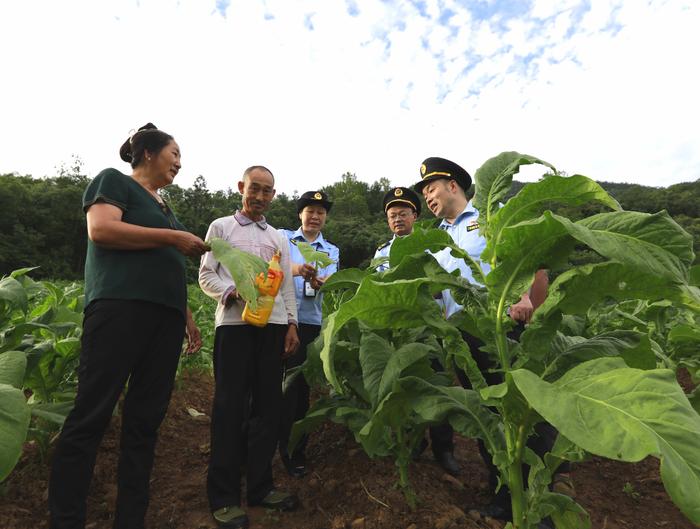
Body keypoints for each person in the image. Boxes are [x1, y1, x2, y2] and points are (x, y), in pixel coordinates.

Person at [48, 123, 209, 529]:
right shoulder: (114, 181)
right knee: (92, 413)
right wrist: (173, 239)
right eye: (175, 155)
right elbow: (101, 229)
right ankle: (66, 518)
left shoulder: (165, 206)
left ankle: (130, 519)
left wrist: (187, 316)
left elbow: (165, 268)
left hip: (165, 319)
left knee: (144, 422)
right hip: (120, 309)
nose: (179, 163)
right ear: (149, 153)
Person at [413, 156, 560, 526]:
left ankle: (539, 504)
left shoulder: (493, 214)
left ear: (453, 185)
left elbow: (533, 258)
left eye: (430, 188)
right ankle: (502, 496)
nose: (427, 196)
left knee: (529, 415)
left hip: (505, 329)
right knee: (487, 416)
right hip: (465, 338)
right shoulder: (437, 239)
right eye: (424, 192)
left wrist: (529, 299)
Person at [199, 165, 301, 529]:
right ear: (241, 187)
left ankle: (260, 487)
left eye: (267, 191)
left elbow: (286, 284)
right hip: (234, 325)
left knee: (268, 408)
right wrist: (231, 292)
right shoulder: (221, 228)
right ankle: (224, 497)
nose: (259, 196)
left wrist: (290, 323)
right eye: (253, 189)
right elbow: (206, 274)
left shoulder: (278, 236)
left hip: (271, 328)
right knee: (229, 407)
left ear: (273, 196)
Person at [373, 187, 461, 475]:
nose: (397, 219)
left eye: (403, 214)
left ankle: (443, 448)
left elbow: (444, 284)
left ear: (415, 216)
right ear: (387, 221)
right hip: (398, 330)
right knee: (404, 384)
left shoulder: (432, 246)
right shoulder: (381, 253)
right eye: (392, 215)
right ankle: (414, 442)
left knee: (437, 384)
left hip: (430, 327)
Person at [278, 190, 339, 477]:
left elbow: (332, 282)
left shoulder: (331, 250)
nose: (315, 216)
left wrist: (322, 281)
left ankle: (294, 451)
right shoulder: (282, 238)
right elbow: (271, 267)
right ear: (300, 214)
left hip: (311, 322)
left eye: (321, 212)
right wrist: (296, 269)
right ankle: (260, 445)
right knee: (269, 383)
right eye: (310, 211)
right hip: (278, 319)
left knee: (299, 388)